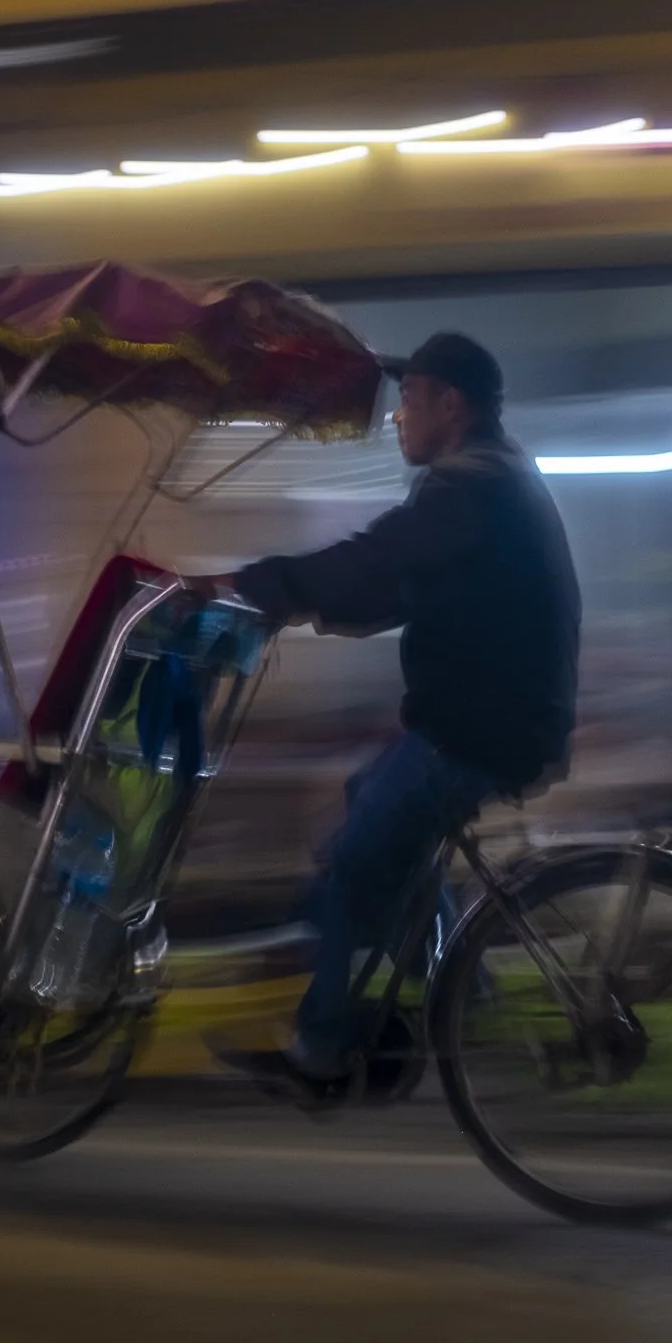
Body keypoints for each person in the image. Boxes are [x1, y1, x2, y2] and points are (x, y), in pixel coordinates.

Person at [195, 331, 581, 1103]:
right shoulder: (495, 478)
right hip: (498, 720)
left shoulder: (469, 485)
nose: (398, 417)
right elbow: (399, 590)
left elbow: (378, 559)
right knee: (372, 806)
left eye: (410, 400)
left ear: (451, 404)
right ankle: (455, 988)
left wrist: (255, 582)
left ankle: (322, 1045)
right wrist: (299, 607)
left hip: (476, 732)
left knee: (354, 861)